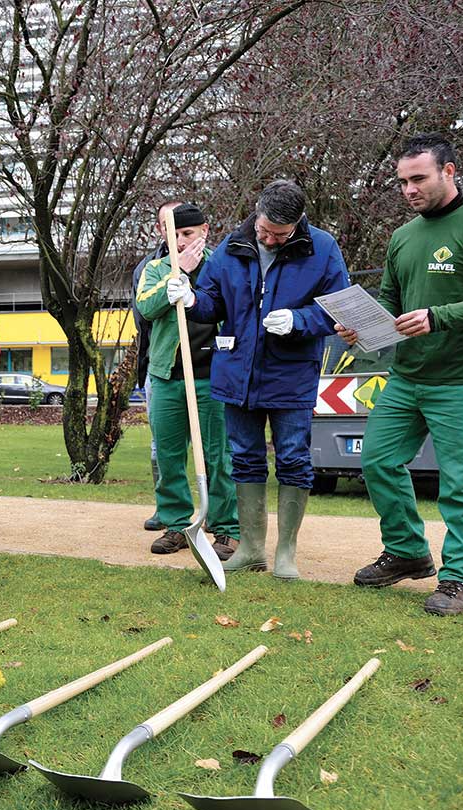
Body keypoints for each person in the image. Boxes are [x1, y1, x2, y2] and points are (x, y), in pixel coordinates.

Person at [338, 133, 463, 615]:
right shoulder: (403, 238)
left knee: (462, 481)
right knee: (378, 462)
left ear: (449, 172)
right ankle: (407, 552)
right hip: (407, 377)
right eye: (403, 181)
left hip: (462, 380)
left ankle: (458, 578)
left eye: (418, 178)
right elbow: (390, 300)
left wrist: (438, 317)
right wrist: (362, 324)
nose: (409, 189)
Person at [167, 180, 349, 579]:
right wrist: (192, 297)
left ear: (299, 223)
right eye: (265, 230)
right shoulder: (234, 245)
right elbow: (212, 302)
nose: (269, 239)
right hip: (237, 373)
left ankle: (286, 552)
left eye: (280, 235)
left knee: (293, 459)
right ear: (257, 212)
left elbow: (340, 309)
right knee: (245, 459)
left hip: (291, 375)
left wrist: (300, 320)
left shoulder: (323, 248)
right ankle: (250, 548)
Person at [135, 202, 239, 559]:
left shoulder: (223, 264)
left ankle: (226, 529)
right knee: (168, 455)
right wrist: (174, 280)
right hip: (167, 375)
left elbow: (232, 306)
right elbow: (146, 307)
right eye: (173, 234)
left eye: (187, 234)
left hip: (212, 375)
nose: (180, 241)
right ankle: (177, 524)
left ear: (204, 231)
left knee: (217, 456)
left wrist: (196, 277)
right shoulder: (155, 268)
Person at [132, 199, 181, 532]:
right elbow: (144, 316)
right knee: (160, 445)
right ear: (159, 229)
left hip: (208, 368)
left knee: (215, 448)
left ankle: (220, 517)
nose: (175, 233)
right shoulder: (147, 268)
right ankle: (167, 509)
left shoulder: (215, 262)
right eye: (168, 225)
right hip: (160, 368)